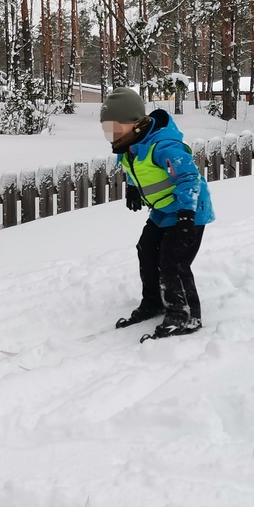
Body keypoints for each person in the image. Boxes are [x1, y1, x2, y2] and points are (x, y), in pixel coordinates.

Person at [100, 87, 214, 340]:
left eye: (115, 127)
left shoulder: (165, 146)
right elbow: (136, 169)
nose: (110, 134)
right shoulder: (130, 145)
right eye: (106, 128)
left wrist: (186, 214)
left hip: (188, 209)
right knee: (147, 250)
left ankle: (185, 315)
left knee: (173, 261)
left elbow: (189, 178)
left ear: (135, 123)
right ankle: (154, 302)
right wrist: (132, 188)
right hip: (163, 209)